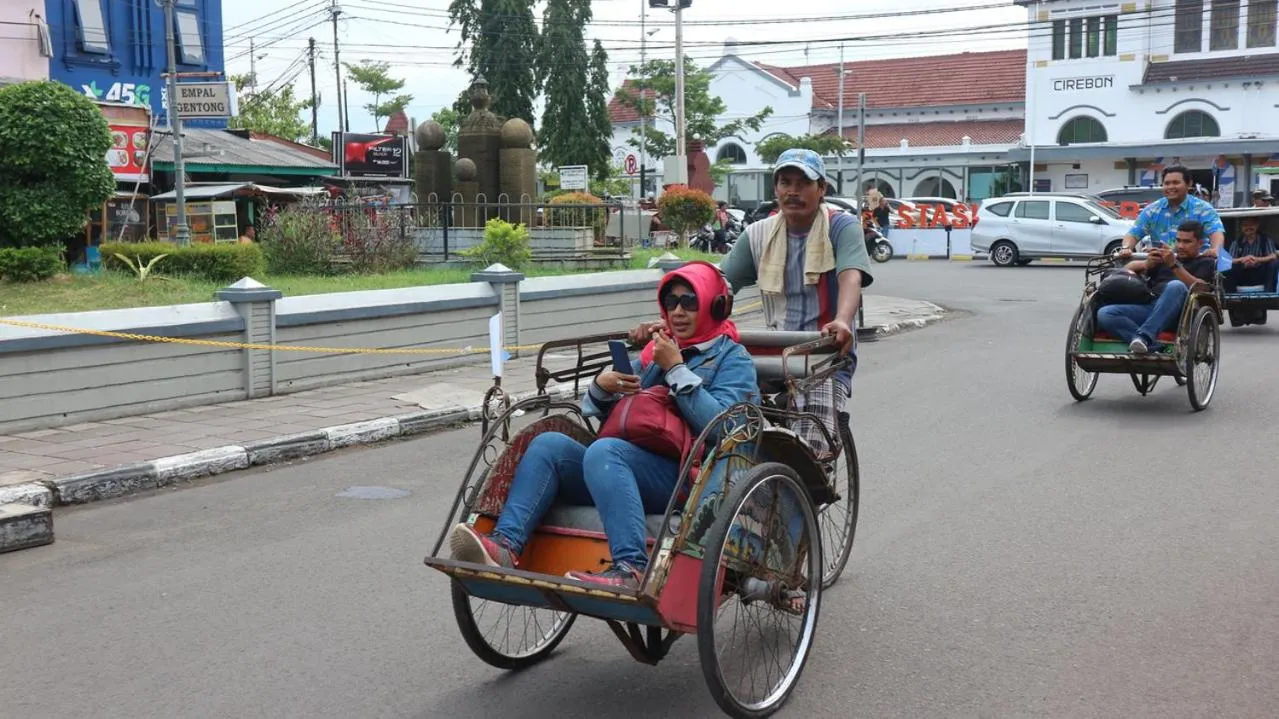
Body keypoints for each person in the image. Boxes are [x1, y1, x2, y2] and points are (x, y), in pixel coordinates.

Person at [448, 261, 758, 590]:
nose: (678, 311)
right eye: (671, 302)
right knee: (549, 445)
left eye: (690, 302)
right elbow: (613, 414)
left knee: (605, 451)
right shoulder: (657, 352)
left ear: (713, 306)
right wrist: (602, 386)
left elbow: (726, 429)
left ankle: (631, 567)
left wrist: (677, 370)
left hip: (688, 478)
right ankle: (506, 545)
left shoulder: (732, 359)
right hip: (623, 466)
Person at [718, 148, 875, 455]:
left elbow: (851, 276)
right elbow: (718, 283)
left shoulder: (841, 228)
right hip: (773, 353)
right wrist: (678, 311)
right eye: (785, 182)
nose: (792, 191)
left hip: (825, 355)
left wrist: (843, 319)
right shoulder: (758, 235)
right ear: (775, 188)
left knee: (809, 452)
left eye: (803, 183)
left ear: (821, 188)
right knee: (724, 422)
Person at [1098, 220, 1217, 354]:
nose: (1180, 246)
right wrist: (1146, 264)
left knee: (1176, 286)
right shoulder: (1165, 258)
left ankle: (1144, 337)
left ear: (1200, 243)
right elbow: (1126, 270)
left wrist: (1174, 265)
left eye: (1187, 242)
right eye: (1178, 241)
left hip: (1181, 313)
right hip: (1151, 306)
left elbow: (1201, 287)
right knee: (1105, 313)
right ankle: (1151, 346)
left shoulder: (1205, 262)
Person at [1118, 165, 1226, 258]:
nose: (1170, 187)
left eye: (1176, 182)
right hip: (1161, 266)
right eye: (1167, 183)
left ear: (1189, 184)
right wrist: (1126, 248)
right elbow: (1133, 233)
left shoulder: (1203, 208)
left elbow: (1216, 232)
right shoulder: (1152, 210)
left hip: (1195, 265)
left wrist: (1215, 249)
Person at [1224, 215, 1276, 292]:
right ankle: (1230, 295)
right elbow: (1230, 260)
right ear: (1241, 227)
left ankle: (1269, 293)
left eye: (1251, 225)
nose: (1248, 227)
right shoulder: (1236, 242)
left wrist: (1257, 259)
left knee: (1273, 263)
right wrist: (1243, 259)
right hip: (1242, 274)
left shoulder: (1266, 240)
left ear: (1257, 225)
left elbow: (1273, 256)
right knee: (1228, 266)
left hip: (1261, 274)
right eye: (1245, 225)